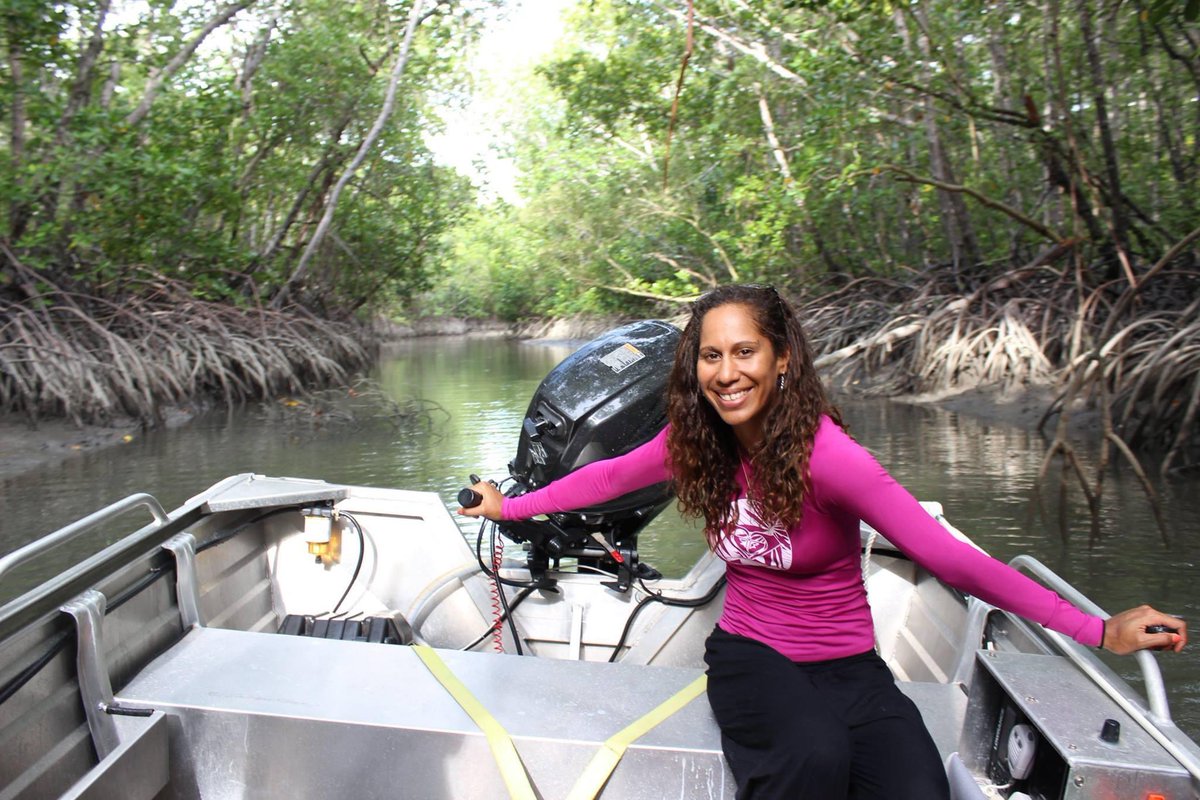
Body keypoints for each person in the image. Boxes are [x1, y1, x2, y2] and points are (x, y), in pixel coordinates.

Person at [459, 283, 1186, 799]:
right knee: (811, 754)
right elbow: (607, 478)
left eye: (744, 352)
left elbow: (951, 559)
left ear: (781, 360)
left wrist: (1097, 629)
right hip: (751, 656)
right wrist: (512, 506)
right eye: (710, 356)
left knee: (914, 786)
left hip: (851, 669)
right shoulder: (695, 442)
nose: (726, 372)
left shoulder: (830, 459)